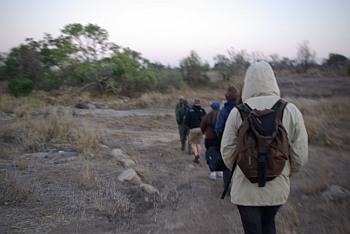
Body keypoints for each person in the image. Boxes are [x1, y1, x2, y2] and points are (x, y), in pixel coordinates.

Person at [220, 61, 308, 234]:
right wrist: (286, 172)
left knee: (252, 229)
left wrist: (241, 169)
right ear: (272, 80)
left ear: (248, 82)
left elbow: (227, 151)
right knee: (269, 224)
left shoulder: (237, 112)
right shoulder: (290, 110)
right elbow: (300, 154)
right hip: (277, 187)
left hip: (245, 189)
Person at [215, 84, 240, 188]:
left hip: (228, 142)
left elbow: (218, 128)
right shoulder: (242, 109)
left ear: (227, 97)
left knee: (227, 166)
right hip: (242, 143)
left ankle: (227, 188)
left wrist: (224, 138)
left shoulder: (224, 111)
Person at [200, 101, 222, 179]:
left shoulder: (207, 116)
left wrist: (203, 133)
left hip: (209, 138)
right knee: (220, 154)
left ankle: (212, 173)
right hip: (219, 138)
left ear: (211, 107)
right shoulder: (221, 115)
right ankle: (220, 171)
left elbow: (202, 126)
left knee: (210, 155)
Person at [184, 98, 206, 163]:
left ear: (194, 103)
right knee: (198, 143)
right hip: (201, 129)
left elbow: (186, 121)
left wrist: (189, 126)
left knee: (193, 143)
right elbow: (205, 120)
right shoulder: (203, 110)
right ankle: (198, 156)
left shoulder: (190, 110)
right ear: (200, 103)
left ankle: (196, 155)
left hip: (193, 129)